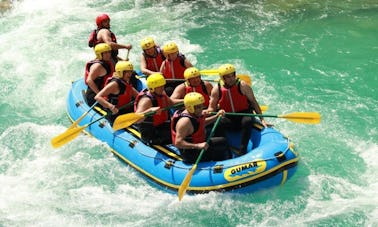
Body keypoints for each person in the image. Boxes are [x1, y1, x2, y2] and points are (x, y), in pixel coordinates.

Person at [207, 64, 268, 155]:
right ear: (223, 78)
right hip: (229, 118)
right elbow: (211, 108)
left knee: (247, 120)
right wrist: (210, 113)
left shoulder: (243, 85)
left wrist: (262, 119)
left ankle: (242, 150)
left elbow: (253, 102)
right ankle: (224, 147)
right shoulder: (217, 89)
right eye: (228, 77)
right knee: (218, 121)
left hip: (243, 115)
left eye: (233, 75)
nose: (232, 79)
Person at [171, 92, 231, 163]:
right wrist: (197, 146)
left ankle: (221, 160)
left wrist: (216, 117)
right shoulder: (184, 122)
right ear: (190, 107)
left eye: (201, 105)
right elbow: (178, 143)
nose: (201, 109)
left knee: (222, 140)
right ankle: (223, 164)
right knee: (222, 143)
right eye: (198, 107)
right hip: (191, 153)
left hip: (199, 143)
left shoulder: (193, 114)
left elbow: (200, 124)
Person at [134, 73, 175, 145]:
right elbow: (136, 120)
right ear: (152, 88)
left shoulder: (161, 93)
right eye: (159, 86)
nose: (162, 88)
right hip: (151, 133)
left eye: (163, 85)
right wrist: (149, 111)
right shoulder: (146, 101)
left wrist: (187, 101)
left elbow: (172, 103)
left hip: (162, 126)